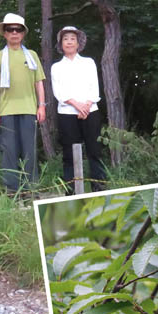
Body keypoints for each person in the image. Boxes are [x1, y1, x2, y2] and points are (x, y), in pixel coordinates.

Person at [0, 13, 46, 193]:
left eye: (18, 29)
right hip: (5, 110)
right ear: (4, 33)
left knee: (30, 151)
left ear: (23, 33)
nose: (14, 32)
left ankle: (30, 190)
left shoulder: (32, 55)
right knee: (9, 151)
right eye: (9, 29)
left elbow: (39, 82)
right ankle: (11, 191)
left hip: (29, 109)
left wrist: (42, 105)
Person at [50, 26, 104, 193]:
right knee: (69, 153)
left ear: (78, 42)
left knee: (94, 150)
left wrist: (86, 105)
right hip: (67, 113)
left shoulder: (88, 62)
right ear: (61, 43)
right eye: (65, 39)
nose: (69, 42)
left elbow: (94, 87)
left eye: (72, 38)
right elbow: (58, 92)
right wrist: (76, 105)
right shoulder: (56, 67)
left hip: (90, 111)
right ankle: (71, 189)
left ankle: (99, 186)